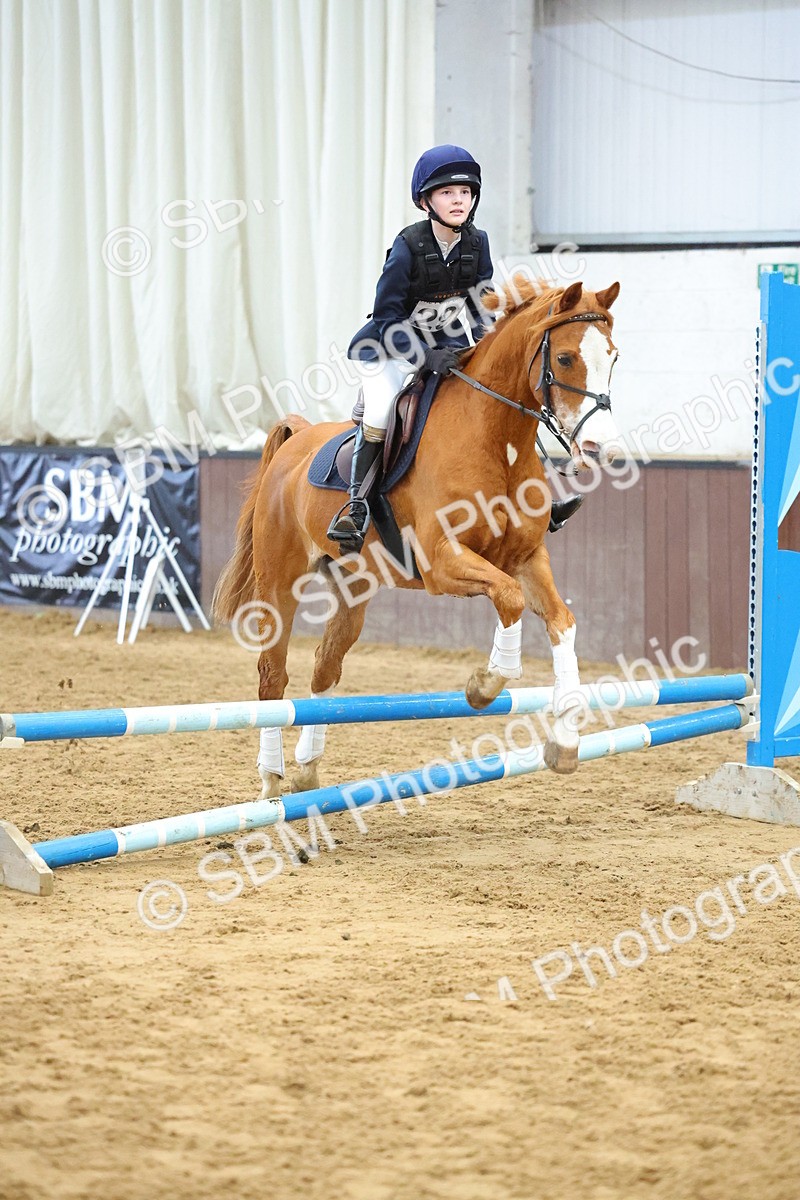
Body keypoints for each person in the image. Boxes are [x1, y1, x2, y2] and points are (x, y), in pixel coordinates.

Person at [327, 144, 582, 554]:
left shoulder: (477, 243)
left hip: (447, 344)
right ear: (425, 202)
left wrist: (487, 345)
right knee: (380, 412)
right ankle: (355, 506)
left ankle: (536, 499)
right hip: (390, 347)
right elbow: (387, 316)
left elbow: (480, 305)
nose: (458, 199)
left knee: (500, 399)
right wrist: (424, 357)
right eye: (447, 192)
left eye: (465, 192)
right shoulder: (407, 246)